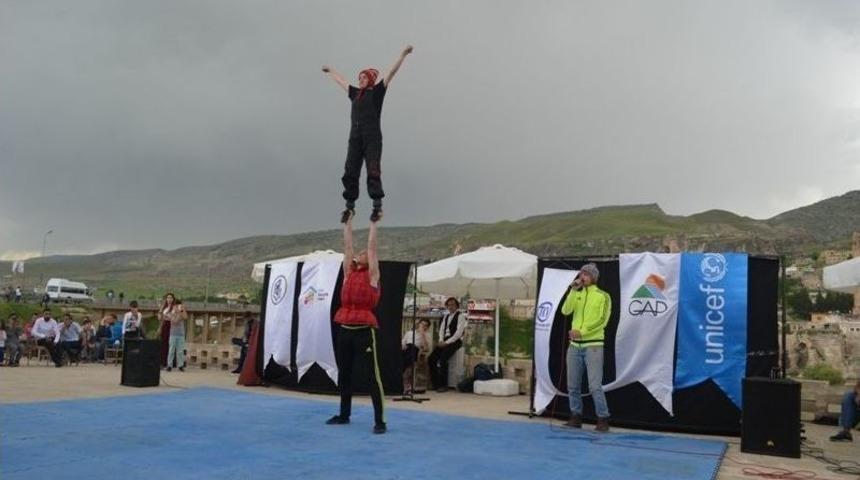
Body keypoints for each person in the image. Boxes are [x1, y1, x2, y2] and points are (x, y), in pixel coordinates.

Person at [322, 45, 413, 223]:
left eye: (364, 77)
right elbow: (341, 81)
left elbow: (391, 73)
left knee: (373, 169)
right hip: (355, 139)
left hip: (373, 138)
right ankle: (349, 208)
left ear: (370, 79)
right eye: (359, 77)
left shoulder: (377, 92)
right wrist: (331, 71)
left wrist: (403, 55)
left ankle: (377, 207)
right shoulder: (355, 93)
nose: (360, 79)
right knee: (350, 170)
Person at [326, 211, 387, 434]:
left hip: (364, 331)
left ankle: (380, 421)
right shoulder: (347, 273)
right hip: (345, 329)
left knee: (372, 377)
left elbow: (371, 247)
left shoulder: (372, 275)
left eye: (364, 254)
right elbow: (348, 246)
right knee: (345, 374)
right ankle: (344, 414)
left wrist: (373, 224)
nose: (360, 253)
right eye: (358, 253)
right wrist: (348, 222)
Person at [561, 263, 612, 432]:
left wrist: (581, 332)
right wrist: (573, 291)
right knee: (573, 385)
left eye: (586, 274)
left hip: (593, 346)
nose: (582, 277)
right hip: (574, 346)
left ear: (594, 277)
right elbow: (565, 311)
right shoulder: (578, 294)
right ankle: (576, 417)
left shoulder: (603, 296)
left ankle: (603, 418)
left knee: (594, 386)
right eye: (581, 274)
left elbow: (602, 321)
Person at [428, 298, 467, 392]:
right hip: (444, 341)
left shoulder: (460, 316)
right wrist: (441, 340)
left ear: (457, 306)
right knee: (431, 358)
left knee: (443, 359)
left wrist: (447, 342)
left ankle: (443, 385)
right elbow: (441, 330)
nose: (451, 307)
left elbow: (458, 333)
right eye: (449, 305)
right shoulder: (445, 316)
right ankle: (436, 383)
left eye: (453, 305)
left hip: (455, 341)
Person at [401, 318, 432, 394]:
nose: (423, 327)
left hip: (415, 350)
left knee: (412, 348)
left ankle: (407, 385)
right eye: (422, 324)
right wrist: (403, 346)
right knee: (407, 349)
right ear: (418, 325)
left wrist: (422, 335)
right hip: (406, 349)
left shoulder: (427, 335)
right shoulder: (409, 333)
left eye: (425, 326)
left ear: (427, 327)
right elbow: (402, 343)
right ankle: (406, 385)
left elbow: (426, 349)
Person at [161, 298, 188, 372]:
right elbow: (174, 321)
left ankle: (181, 365)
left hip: (181, 334)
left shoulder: (182, 311)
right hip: (173, 334)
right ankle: (169, 365)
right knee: (171, 350)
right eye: (176, 305)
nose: (178, 306)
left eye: (179, 305)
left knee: (180, 351)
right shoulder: (171, 313)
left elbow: (185, 317)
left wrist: (182, 310)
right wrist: (175, 313)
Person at [156, 293, 176, 368]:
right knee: (163, 344)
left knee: (170, 344)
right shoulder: (164, 307)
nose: (169, 299)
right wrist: (160, 313)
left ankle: (170, 363)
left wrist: (167, 316)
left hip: (171, 326)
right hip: (164, 325)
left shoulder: (174, 307)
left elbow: (173, 317)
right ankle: (162, 362)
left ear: (173, 299)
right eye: (168, 298)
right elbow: (159, 318)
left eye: (171, 298)